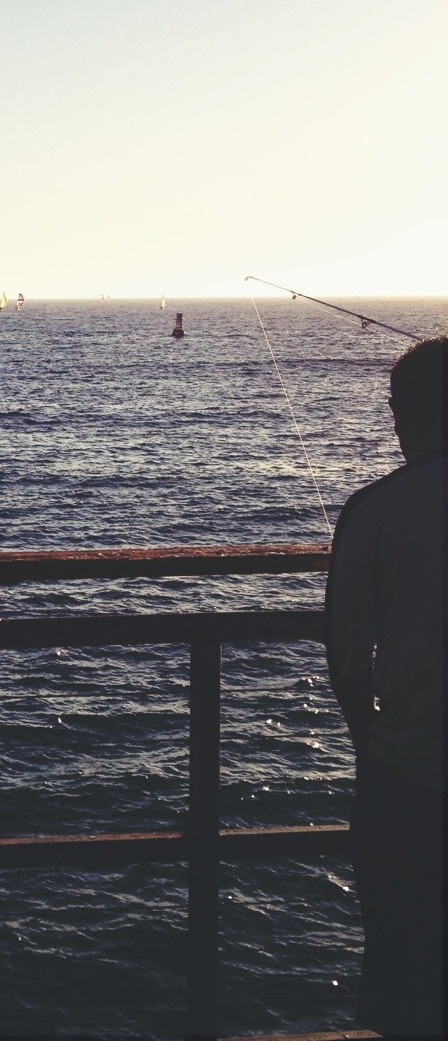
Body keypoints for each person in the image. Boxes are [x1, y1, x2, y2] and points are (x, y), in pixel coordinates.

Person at [325, 335, 446, 1037]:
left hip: (405, 776)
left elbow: (346, 657)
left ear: (402, 414)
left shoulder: (374, 511)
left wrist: (370, 738)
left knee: (404, 967)